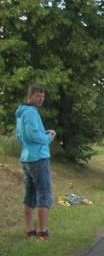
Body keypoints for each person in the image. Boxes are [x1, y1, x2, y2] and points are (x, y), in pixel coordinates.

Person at [15, 84, 56, 240]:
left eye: (43, 96)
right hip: (38, 158)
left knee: (29, 195)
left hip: (26, 157)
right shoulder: (31, 112)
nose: (41, 99)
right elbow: (34, 136)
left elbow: (20, 135)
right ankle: (43, 232)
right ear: (30, 96)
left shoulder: (21, 112)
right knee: (44, 194)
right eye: (38, 96)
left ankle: (30, 231)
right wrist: (49, 137)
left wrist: (42, 133)